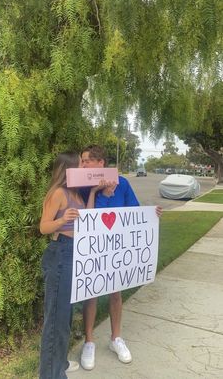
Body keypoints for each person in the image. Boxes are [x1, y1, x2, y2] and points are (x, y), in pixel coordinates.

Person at [80, 145, 162, 371]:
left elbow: (134, 212)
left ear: (100, 163)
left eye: (87, 161)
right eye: (83, 161)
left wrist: (151, 216)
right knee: (92, 293)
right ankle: (89, 341)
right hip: (95, 249)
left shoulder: (123, 184)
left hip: (117, 250)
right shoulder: (86, 187)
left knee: (115, 293)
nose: (84, 165)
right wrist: (99, 194)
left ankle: (116, 338)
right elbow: (88, 220)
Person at [39, 151, 100, 379]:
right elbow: (43, 227)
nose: (84, 168)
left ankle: (60, 363)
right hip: (61, 253)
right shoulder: (58, 193)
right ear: (68, 170)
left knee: (64, 316)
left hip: (76, 254)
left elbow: (89, 218)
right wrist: (63, 220)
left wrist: (93, 192)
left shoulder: (77, 193)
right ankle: (52, 375)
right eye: (80, 165)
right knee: (56, 320)